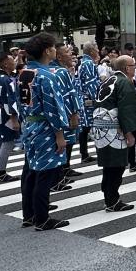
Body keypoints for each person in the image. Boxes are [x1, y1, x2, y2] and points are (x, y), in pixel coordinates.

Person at [19, 32, 71, 230]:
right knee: (45, 173)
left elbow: (21, 103)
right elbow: (54, 107)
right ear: (48, 50)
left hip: (30, 126)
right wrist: (60, 135)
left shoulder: (24, 73)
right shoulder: (47, 76)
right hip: (45, 128)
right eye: (54, 47)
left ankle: (29, 214)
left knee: (30, 171)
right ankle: (42, 217)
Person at [92, 56, 136, 212]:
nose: (135, 68)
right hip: (114, 127)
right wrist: (129, 133)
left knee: (109, 164)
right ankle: (112, 199)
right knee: (117, 164)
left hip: (100, 125)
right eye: (134, 65)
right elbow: (126, 109)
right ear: (127, 68)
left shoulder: (109, 80)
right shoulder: (124, 82)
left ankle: (108, 195)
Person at [51, 44, 82, 188]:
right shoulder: (60, 71)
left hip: (55, 115)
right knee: (65, 142)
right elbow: (69, 94)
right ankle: (59, 176)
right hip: (65, 113)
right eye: (68, 52)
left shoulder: (49, 70)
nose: (71, 54)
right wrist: (74, 113)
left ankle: (62, 172)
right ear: (59, 56)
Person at [0, 51, 20, 183]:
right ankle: (0, 171)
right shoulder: (6, 80)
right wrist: (14, 119)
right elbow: (10, 100)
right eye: (12, 60)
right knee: (7, 142)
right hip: (5, 114)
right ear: (6, 64)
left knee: (1, 142)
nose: (14, 62)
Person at [74, 42, 99, 164]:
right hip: (88, 99)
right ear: (92, 51)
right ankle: (85, 153)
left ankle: (84, 153)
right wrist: (98, 98)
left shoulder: (82, 62)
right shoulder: (89, 63)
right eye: (96, 49)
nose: (98, 51)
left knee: (86, 127)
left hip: (83, 97)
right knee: (88, 126)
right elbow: (91, 83)